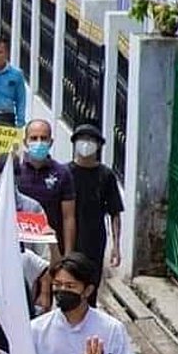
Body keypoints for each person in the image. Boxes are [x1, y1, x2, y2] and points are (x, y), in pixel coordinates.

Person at [68, 124, 124, 303]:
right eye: (82, 140)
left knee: (90, 283)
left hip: (94, 239)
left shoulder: (106, 175)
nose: (86, 144)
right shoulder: (65, 173)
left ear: (98, 146)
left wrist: (116, 246)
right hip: (68, 237)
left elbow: (115, 212)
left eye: (91, 140)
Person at [19, 119, 77, 255]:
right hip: (19, 246)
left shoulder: (62, 173)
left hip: (50, 249)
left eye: (43, 138)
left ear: (51, 142)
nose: (39, 142)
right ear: (25, 142)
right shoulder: (16, 171)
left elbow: (69, 217)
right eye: (33, 138)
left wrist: (68, 255)